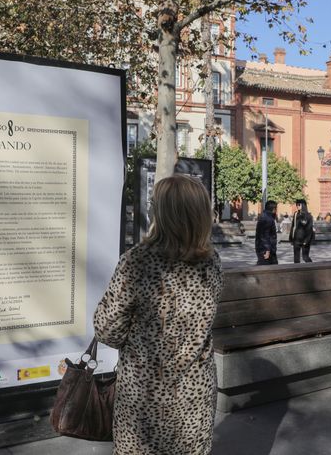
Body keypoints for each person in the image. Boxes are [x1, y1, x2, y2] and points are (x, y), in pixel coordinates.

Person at [94, 175, 223, 454]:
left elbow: (106, 329)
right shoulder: (211, 261)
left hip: (144, 394)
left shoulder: (138, 261)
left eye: (154, 203)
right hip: (196, 389)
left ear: (164, 213)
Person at [255, 200, 278, 265]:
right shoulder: (267, 219)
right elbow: (265, 236)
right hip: (265, 250)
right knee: (267, 269)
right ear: (273, 209)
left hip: (265, 248)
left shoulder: (265, 217)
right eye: (276, 208)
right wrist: (267, 250)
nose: (276, 210)